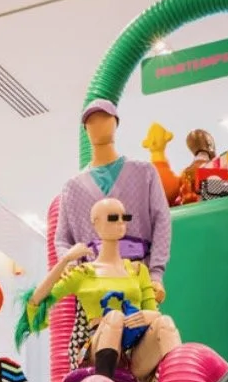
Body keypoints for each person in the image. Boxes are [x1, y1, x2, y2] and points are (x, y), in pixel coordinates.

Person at [22, 198, 180, 382]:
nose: (121, 222)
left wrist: (152, 316)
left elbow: (152, 310)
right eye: (113, 218)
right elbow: (36, 300)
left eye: (125, 217)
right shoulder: (84, 273)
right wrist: (65, 260)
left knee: (165, 323)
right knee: (114, 317)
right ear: (96, 223)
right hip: (100, 344)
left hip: (135, 349)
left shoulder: (138, 270)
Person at [55, 98, 173, 302]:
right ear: (85, 128)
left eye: (105, 118)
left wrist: (156, 274)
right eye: (91, 121)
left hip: (138, 281)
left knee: (147, 330)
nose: (98, 124)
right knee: (99, 333)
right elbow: (62, 239)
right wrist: (70, 265)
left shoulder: (144, 173)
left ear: (115, 123)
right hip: (93, 286)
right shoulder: (72, 188)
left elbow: (162, 221)